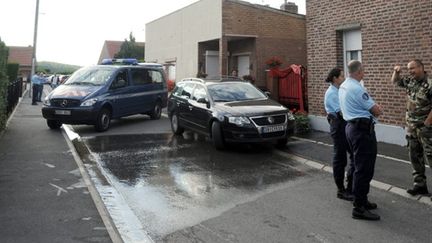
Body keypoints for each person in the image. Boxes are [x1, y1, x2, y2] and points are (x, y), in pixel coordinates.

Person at [339, 60, 382, 220]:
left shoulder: (344, 85)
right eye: (363, 70)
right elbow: (376, 111)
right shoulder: (357, 88)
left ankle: (361, 200)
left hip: (351, 128)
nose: (364, 73)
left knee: (358, 165)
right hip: (362, 132)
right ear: (359, 71)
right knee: (364, 169)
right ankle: (359, 208)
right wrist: (378, 108)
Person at [391, 59, 432, 197]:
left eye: (413, 69)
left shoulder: (430, 84)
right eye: (409, 69)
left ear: (421, 67)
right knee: (415, 157)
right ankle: (420, 186)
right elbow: (395, 82)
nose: (410, 72)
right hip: (411, 128)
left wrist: (427, 123)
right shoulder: (410, 81)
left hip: (426, 129)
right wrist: (396, 72)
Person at [324, 67, 354, 201]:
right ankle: (341, 190)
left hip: (345, 125)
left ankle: (350, 186)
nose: (344, 78)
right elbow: (342, 112)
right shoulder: (331, 93)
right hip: (339, 126)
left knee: (353, 155)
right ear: (335, 78)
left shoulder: (340, 90)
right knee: (340, 159)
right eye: (342, 76)